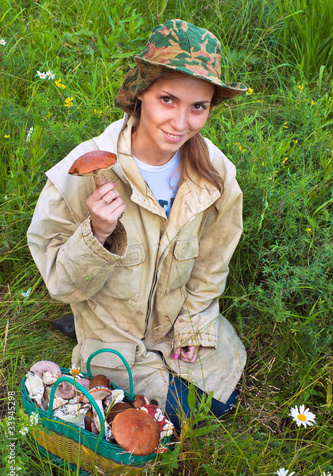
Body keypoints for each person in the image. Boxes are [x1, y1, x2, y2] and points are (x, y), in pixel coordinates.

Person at [27, 19, 247, 431]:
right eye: (168, 99)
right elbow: (58, 281)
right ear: (140, 93)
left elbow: (213, 260)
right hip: (114, 331)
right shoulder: (81, 170)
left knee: (220, 402)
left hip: (174, 322)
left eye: (197, 107)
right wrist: (96, 234)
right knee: (175, 418)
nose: (180, 122)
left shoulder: (215, 173)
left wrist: (194, 325)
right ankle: (84, 331)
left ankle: (157, 350)